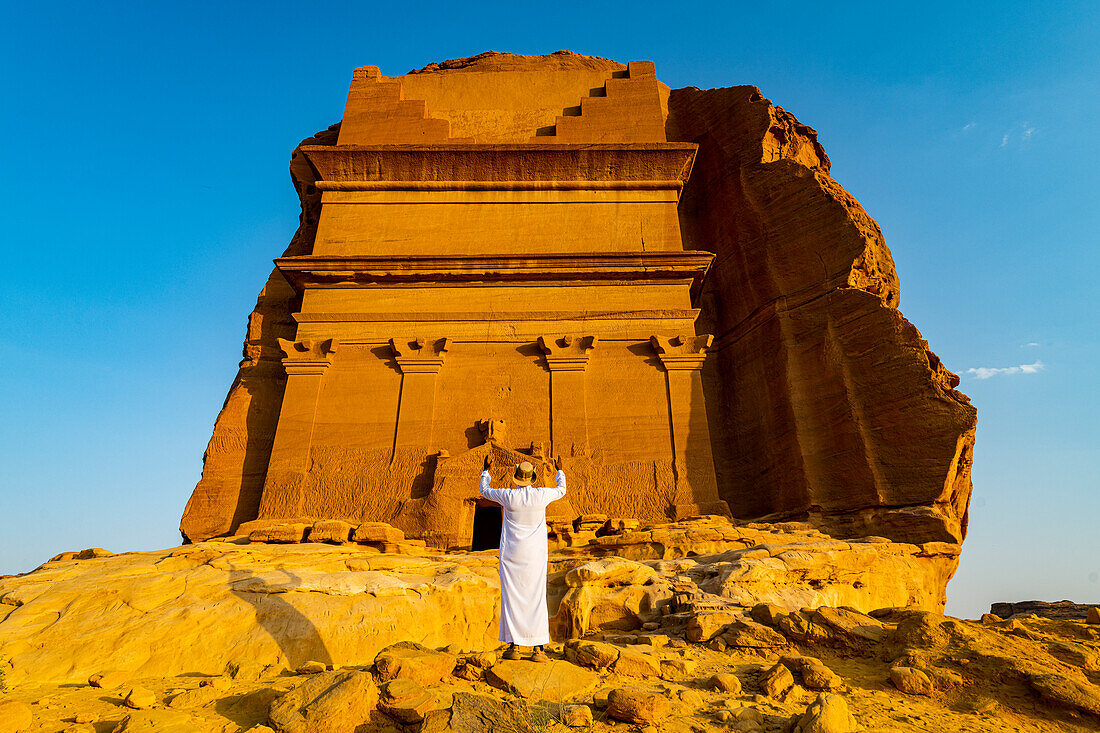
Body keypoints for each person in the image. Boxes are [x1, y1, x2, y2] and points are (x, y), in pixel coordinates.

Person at [480, 454, 566, 661]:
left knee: (512, 599)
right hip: (535, 555)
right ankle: (538, 649)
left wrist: (486, 471)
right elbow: (561, 490)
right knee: (536, 598)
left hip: (512, 555)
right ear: (532, 478)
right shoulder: (541, 496)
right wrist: (559, 471)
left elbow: (485, 491)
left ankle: (514, 647)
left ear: (517, 478)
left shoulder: (509, 496)